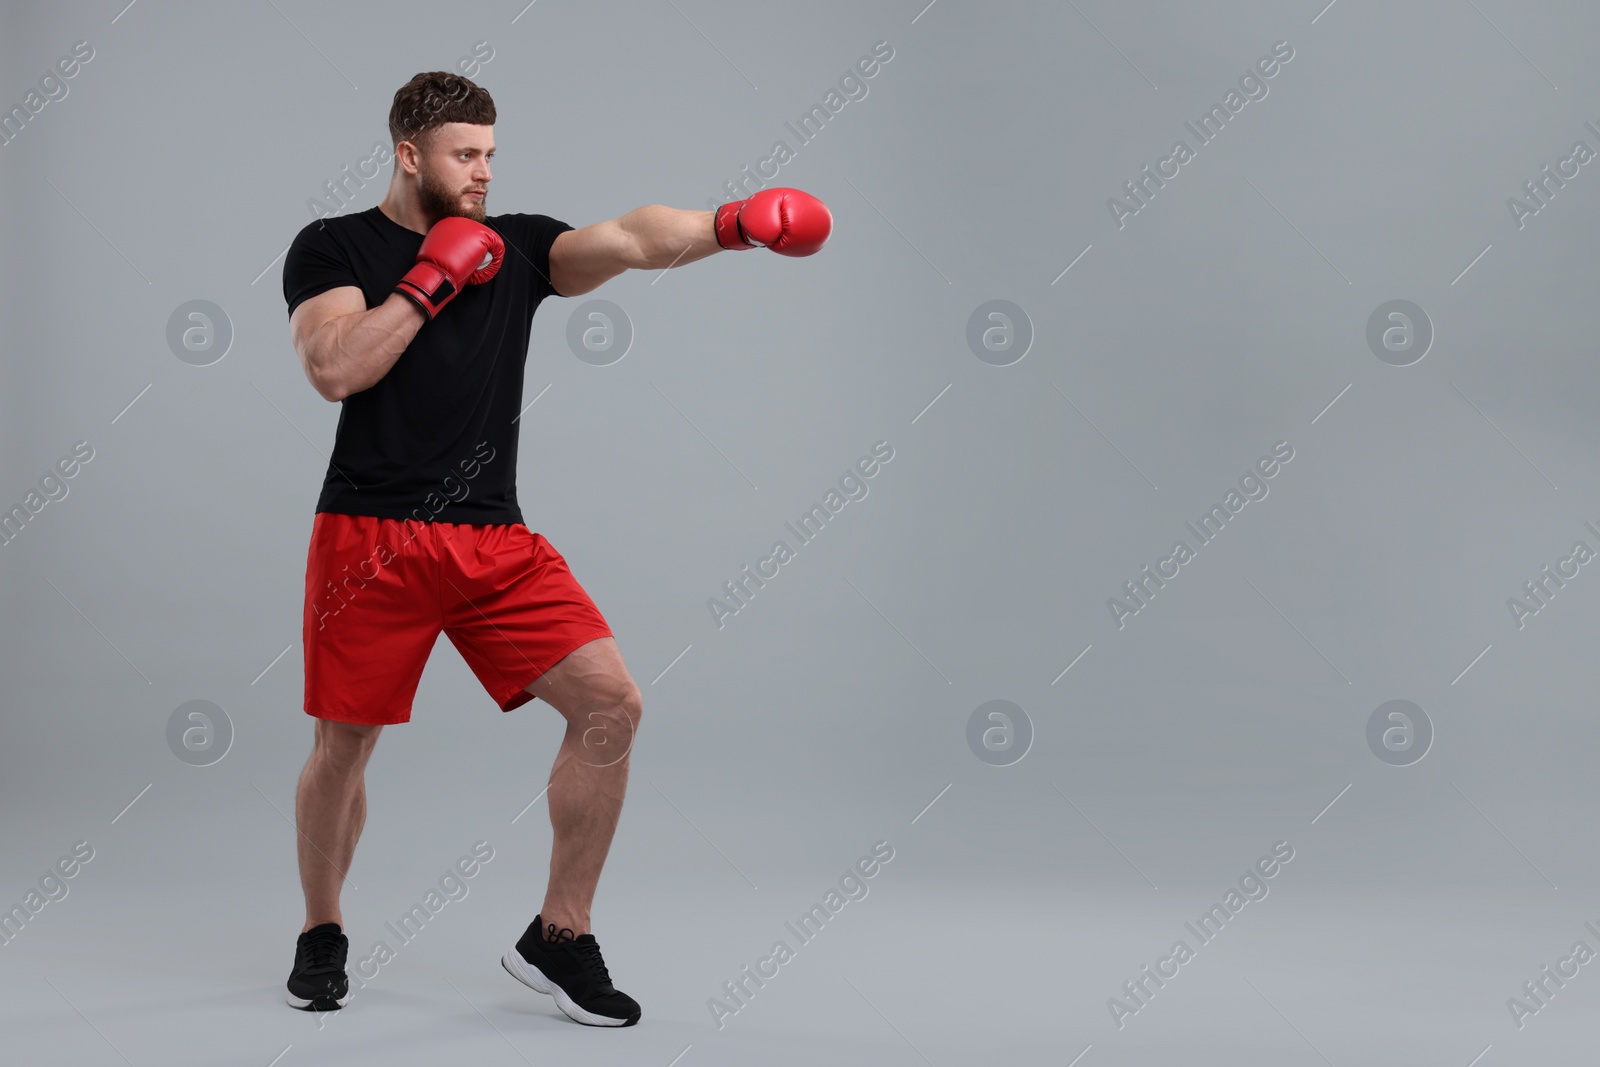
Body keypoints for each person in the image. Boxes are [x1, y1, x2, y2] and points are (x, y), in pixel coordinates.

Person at [278, 70, 831, 1027]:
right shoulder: (333, 245)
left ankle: (560, 934)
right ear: (410, 154)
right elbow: (335, 369)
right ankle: (322, 930)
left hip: (493, 537)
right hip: (369, 535)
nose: (484, 172)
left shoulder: (522, 245)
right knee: (344, 745)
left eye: (492, 154)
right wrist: (428, 280)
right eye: (465, 155)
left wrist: (735, 223)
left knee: (612, 703)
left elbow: (628, 237)